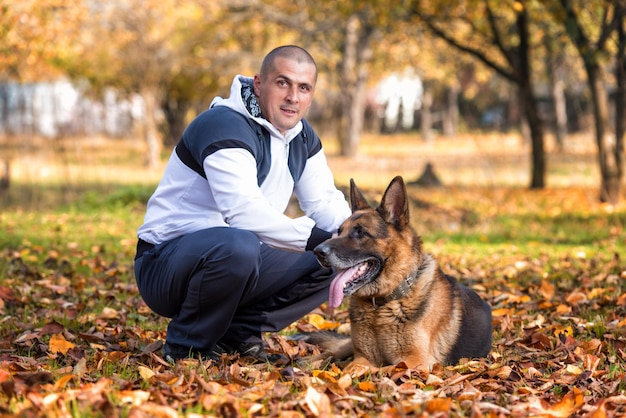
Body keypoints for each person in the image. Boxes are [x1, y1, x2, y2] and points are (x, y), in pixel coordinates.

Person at [134, 45, 351, 363]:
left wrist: (362, 238)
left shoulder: (301, 136)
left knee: (337, 260)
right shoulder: (223, 125)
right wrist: (321, 240)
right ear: (259, 85)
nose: (293, 96)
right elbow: (243, 212)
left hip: (238, 257)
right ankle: (186, 346)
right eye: (282, 83)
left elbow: (325, 202)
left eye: (303, 88)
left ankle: (239, 330)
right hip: (165, 264)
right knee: (239, 244)